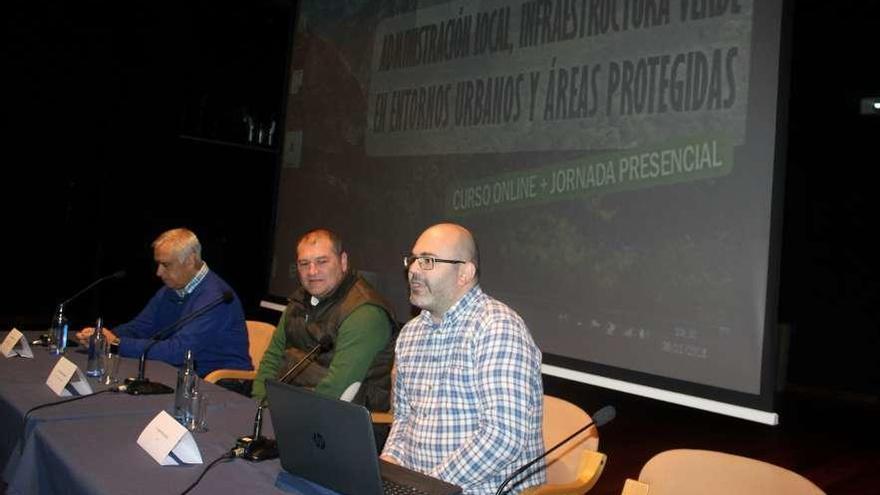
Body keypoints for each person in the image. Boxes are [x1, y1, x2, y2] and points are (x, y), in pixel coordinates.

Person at [381, 223, 545, 494]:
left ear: (465, 273)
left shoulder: (497, 327)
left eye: (428, 261)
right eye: (413, 260)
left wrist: (427, 487)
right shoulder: (410, 334)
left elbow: (502, 438)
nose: (413, 270)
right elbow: (403, 417)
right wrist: (391, 464)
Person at [251, 228, 396, 414]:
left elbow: (337, 389)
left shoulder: (365, 314)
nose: (312, 271)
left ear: (343, 262)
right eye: (304, 264)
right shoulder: (298, 302)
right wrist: (257, 408)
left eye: (322, 261)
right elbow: (272, 360)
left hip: (346, 424)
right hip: (291, 410)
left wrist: (283, 419)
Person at [75, 228, 251, 377]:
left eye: (165, 265)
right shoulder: (173, 288)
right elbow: (140, 328)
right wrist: (102, 336)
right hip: (182, 374)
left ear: (189, 261)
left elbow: (179, 352)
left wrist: (116, 344)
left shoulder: (216, 298)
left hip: (220, 384)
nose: (159, 273)